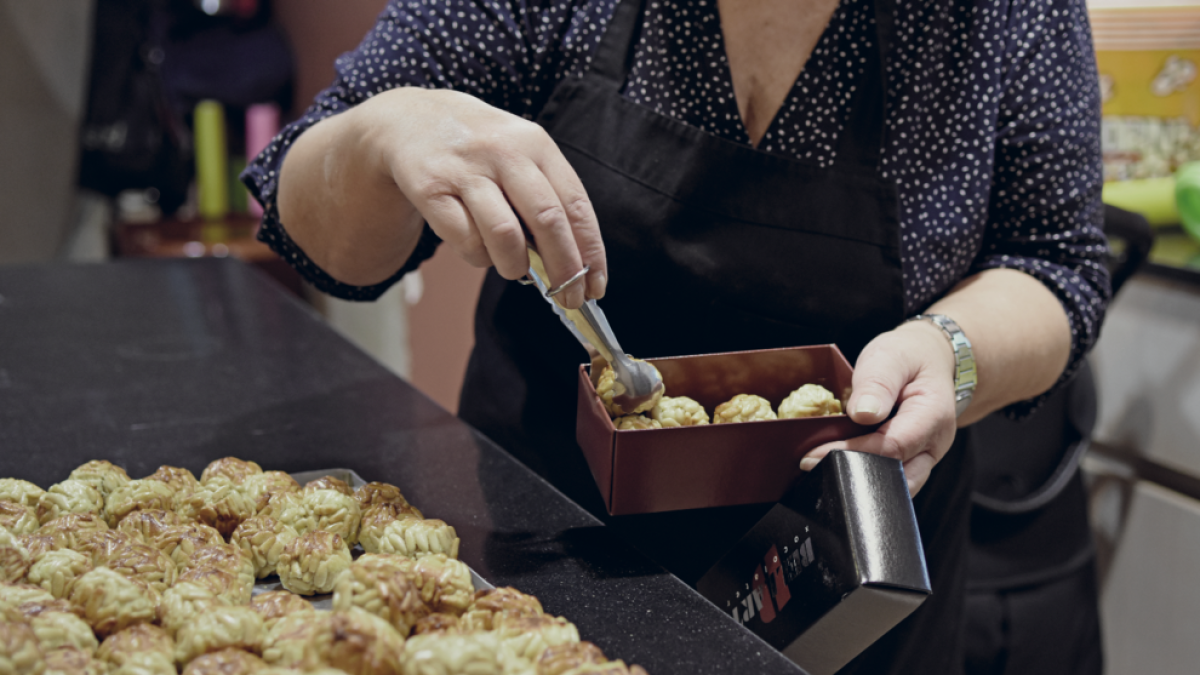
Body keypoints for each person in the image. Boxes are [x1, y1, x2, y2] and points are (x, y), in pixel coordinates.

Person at [243, 0, 1110, 672]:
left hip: (851, 598)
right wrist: (387, 131)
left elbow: (1056, 265)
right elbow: (320, 233)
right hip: (540, 573)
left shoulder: (1002, 15)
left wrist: (953, 352)